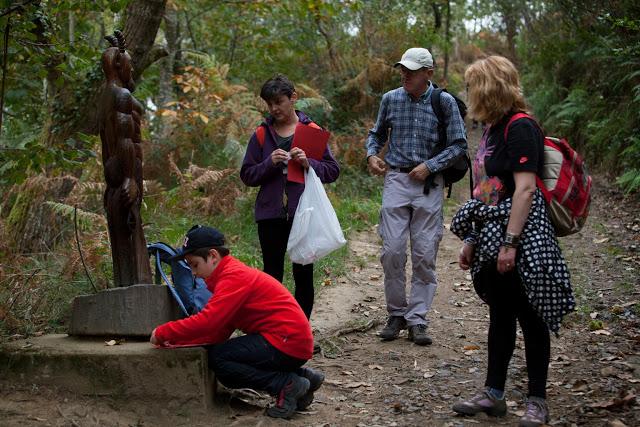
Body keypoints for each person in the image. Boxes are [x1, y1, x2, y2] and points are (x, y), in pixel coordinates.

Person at [449, 56, 575, 427]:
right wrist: (472, 237)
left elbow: (524, 191)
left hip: (524, 236)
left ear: (490, 87)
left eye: (473, 86)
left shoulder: (521, 128)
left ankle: (537, 400)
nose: (469, 93)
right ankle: (493, 395)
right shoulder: (492, 128)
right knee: (500, 316)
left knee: (531, 318)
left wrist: (510, 243)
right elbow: (487, 189)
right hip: (493, 234)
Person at [150, 225, 325, 419]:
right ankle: (304, 377)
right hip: (290, 342)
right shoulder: (227, 276)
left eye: (195, 264)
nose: (193, 273)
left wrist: (164, 332)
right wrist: (177, 343)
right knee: (223, 352)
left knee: (221, 360)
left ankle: (286, 384)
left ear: (213, 256)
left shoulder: (233, 277)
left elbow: (208, 322)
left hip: (287, 342)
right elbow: (219, 329)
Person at [366, 47, 467, 345]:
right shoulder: (391, 98)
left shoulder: (444, 102)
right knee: (393, 251)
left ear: (428, 73)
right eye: (403, 70)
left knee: (424, 254)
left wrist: (430, 166)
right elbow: (376, 134)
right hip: (396, 178)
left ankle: (418, 319)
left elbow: (459, 144)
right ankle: (396, 314)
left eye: (411, 70)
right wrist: (372, 154)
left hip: (429, 184)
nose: (405, 74)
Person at [240, 75, 340, 321]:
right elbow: (248, 175)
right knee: (271, 276)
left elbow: (332, 171)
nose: (274, 109)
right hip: (270, 215)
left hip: (303, 214)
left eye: (279, 102)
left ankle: (301, 331)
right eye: (269, 104)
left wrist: (309, 163)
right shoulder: (261, 135)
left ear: (293, 98)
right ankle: (273, 330)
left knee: (303, 275)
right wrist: (269, 163)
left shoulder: (312, 132)